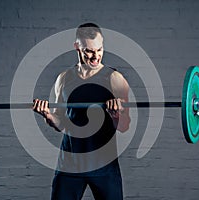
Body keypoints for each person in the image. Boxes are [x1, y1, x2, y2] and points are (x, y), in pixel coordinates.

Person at [33, 23, 131, 200]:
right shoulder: (64, 78)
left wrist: (116, 114)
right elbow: (60, 123)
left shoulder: (115, 79)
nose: (96, 57)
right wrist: (47, 114)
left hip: (104, 166)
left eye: (99, 50)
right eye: (89, 51)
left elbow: (124, 126)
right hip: (70, 165)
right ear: (77, 47)